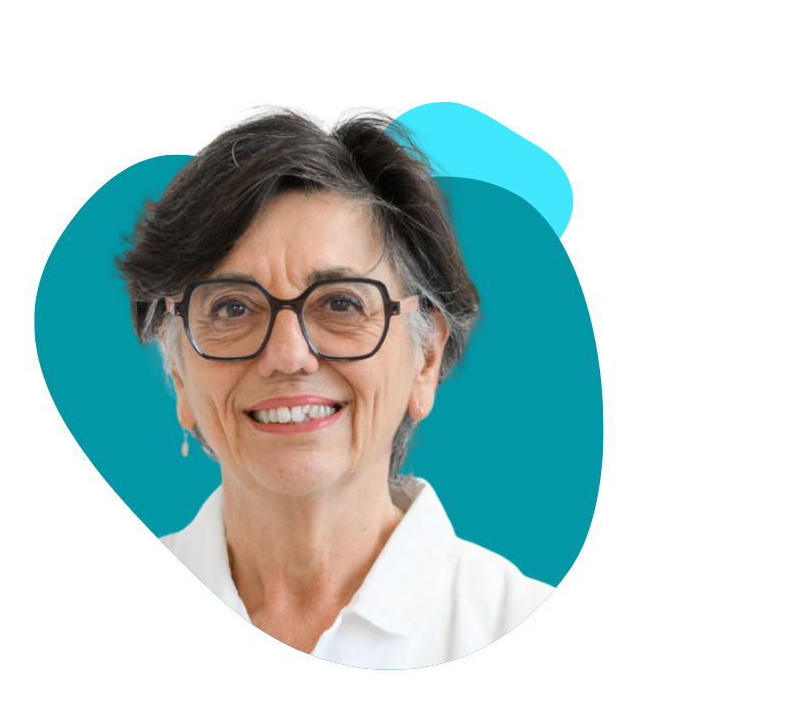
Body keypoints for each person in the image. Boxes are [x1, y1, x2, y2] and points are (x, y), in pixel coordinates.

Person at [114, 104, 554, 668]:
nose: (288, 356)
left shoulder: (509, 617)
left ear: (425, 359)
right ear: (178, 372)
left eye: (342, 304)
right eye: (231, 308)